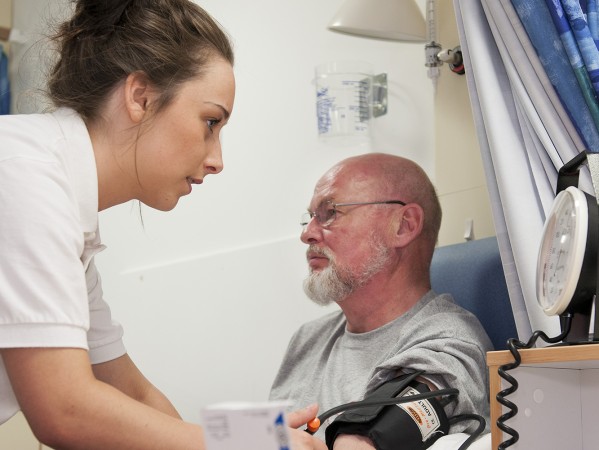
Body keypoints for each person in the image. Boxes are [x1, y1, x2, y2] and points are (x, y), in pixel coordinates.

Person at [0, 1, 325, 449]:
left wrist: (259, 435)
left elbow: (129, 394)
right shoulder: (24, 176)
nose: (217, 160)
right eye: (210, 122)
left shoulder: (64, 213)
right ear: (139, 97)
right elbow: (65, 412)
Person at [270, 153, 493, 449]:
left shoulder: (451, 342)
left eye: (330, 213)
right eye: (309, 217)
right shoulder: (307, 340)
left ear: (403, 225)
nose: (307, 233)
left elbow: (366, 440)